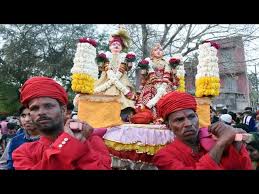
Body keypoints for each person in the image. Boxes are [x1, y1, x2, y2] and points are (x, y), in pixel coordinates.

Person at [12, 76, 111, 170]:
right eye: (34, 108)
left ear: (63, 110)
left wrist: (79, 142)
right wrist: (68, 142)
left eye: (48, 106)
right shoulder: (23, 152)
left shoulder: (92, 141)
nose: (41, 112)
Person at [153, 91, 252, 170]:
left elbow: (240, 140)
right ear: (168, 126)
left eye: (191, 117)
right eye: (179, 120)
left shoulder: (212, 136)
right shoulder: (164, 156)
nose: (188, 124)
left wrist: (236, 134)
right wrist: (221, 144)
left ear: (197, 117)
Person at [135, 43, 180, 123]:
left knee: (169, 97)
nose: (158, 51)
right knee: (148, 96)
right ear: (152, 52)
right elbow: (144, 76)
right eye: (156, 50)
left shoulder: (166, 62)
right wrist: (144, 68)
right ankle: (150, 115)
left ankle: (166, 116)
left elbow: (170, 75)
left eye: (160, 50)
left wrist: (173, 68)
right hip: (151, 84)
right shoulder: (148, 61)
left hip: (165, 84)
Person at [94, 27, 136, 111]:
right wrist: (101, 61)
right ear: (110, 47)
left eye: (118, 44)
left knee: (123, 96)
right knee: (104, 93)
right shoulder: (107, 56)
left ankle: (123, 111)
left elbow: (128, 67)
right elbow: (100, 67)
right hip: (107, 78)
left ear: (122, 47)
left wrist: (130, 61)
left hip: (122, 79)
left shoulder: (124, 56)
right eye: (114, 44)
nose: (116, 45)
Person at [7, 106, 40, 170]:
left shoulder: (51, 138)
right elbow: (9, 164)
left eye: (30, 115)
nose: (27, 119)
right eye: (23, 116)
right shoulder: (15, 141)